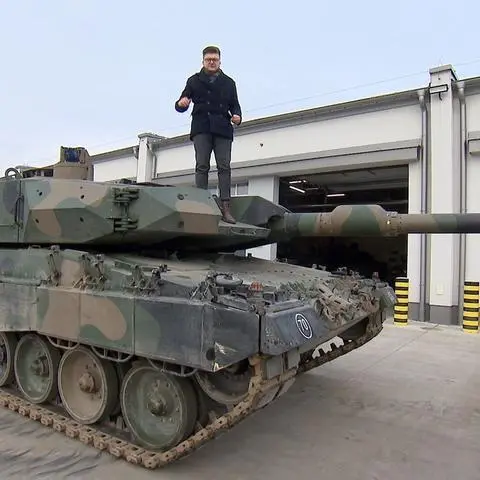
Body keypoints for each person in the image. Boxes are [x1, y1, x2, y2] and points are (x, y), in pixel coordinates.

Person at [175, 45, 242, 224]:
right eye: (208, 59)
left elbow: (235, 105)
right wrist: (182, 103)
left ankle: (225, 208)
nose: (212, 62)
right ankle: (201, 206)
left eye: (215, 59)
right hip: (202, 127)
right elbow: (182, 101)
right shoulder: (194, 80)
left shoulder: (229, 82)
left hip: (222, 128)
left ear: (220, 61)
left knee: (224, 166)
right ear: (203, 61)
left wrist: (237, 116)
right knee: (202, 165)